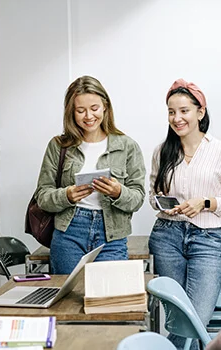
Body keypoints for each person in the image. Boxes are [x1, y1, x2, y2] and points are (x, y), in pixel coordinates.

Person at [35, 75, 145, 274]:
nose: (88, 116)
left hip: (112, 235)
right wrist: (66, 195)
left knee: (108, 300)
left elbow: (138, 198)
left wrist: (118, 192)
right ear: (71, 112)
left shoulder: (127, 146)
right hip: (69, 232)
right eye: (80, 110)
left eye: (94, 108)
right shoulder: (58, 146)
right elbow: (42, 197)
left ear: (105, 107)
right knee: (67, 301)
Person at [149, 78, 221, 350]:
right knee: (178, 318)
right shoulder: (162, 151)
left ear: (200, 112)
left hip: (209, 240)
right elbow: (151, 195)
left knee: (196, 319)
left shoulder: (218, 150)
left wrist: (206, 203)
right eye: (171, 112)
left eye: (183, 111)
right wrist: (163, 203)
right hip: (167, 237)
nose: (176, 118)